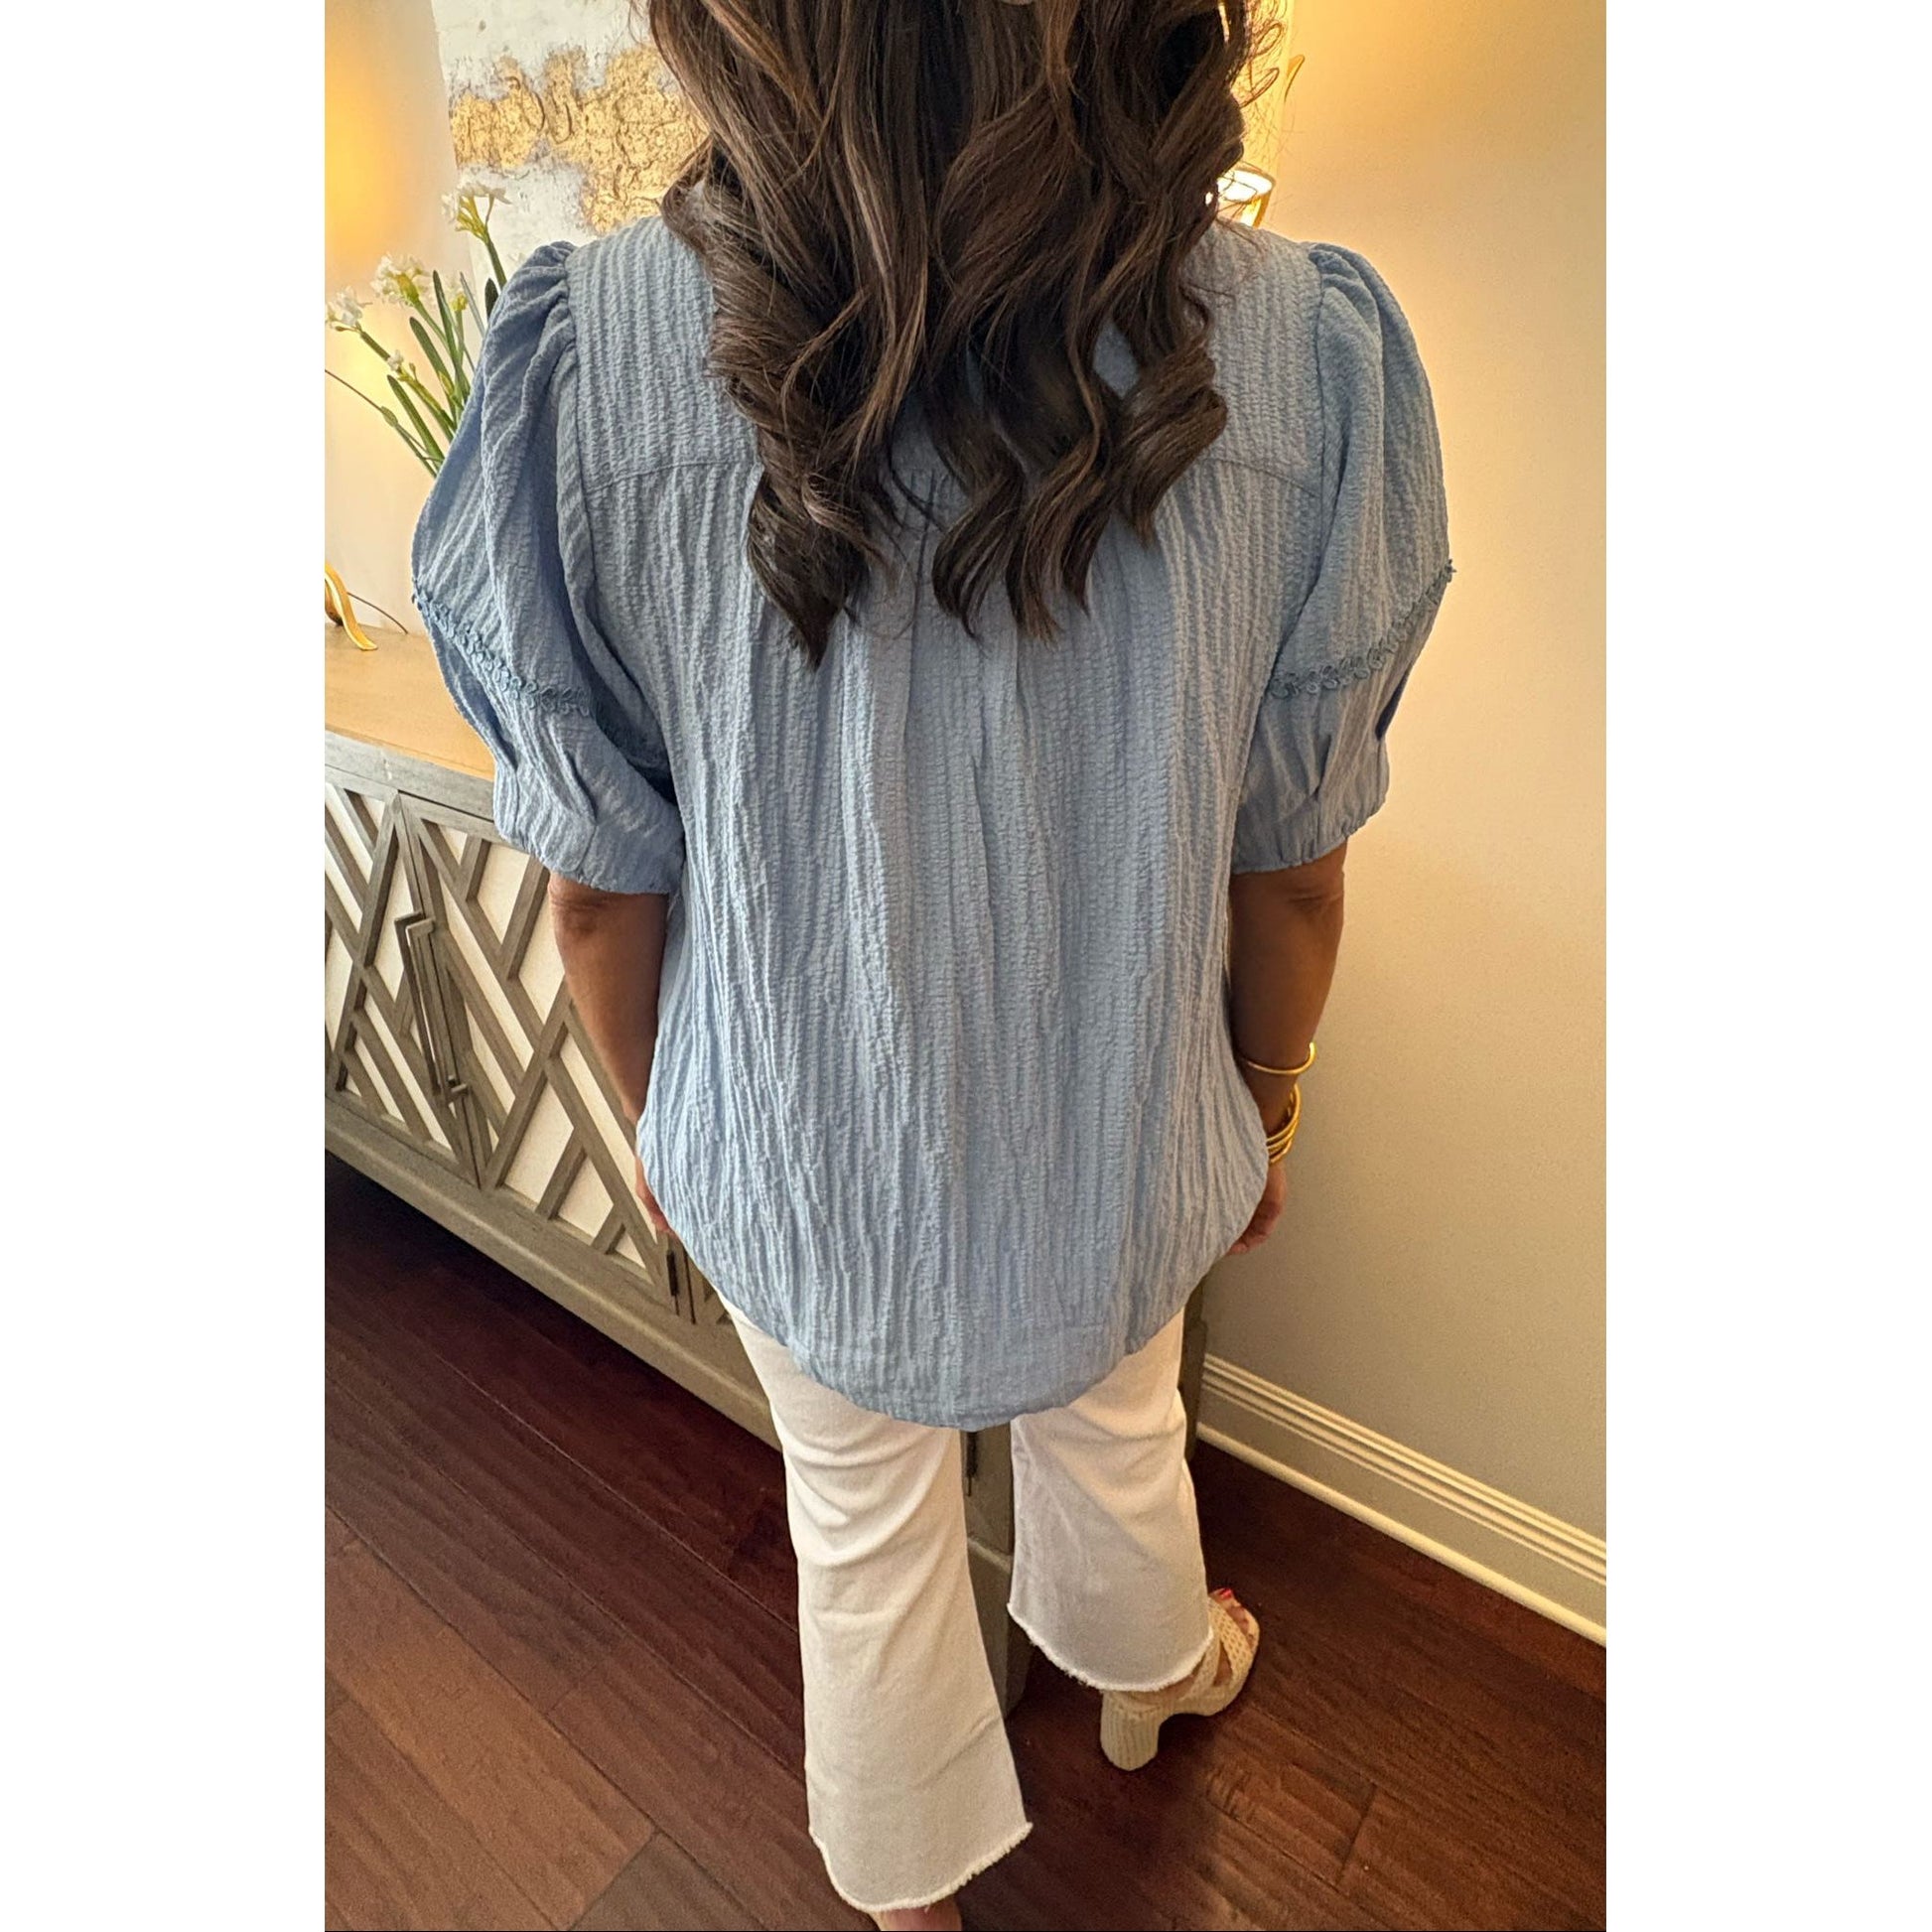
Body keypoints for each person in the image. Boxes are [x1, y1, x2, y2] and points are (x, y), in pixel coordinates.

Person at [411, 4, 1451, 1924]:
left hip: (793, 1135)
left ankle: (907, 1896)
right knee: (1118, 1417)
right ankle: (1152, 1680)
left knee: (862, 1530)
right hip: (1126, 1114)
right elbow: (1289, 877)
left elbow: (592, 892)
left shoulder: (594, 349)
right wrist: (1267, 1094)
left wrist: (663, 1119)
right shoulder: (1304, 346)